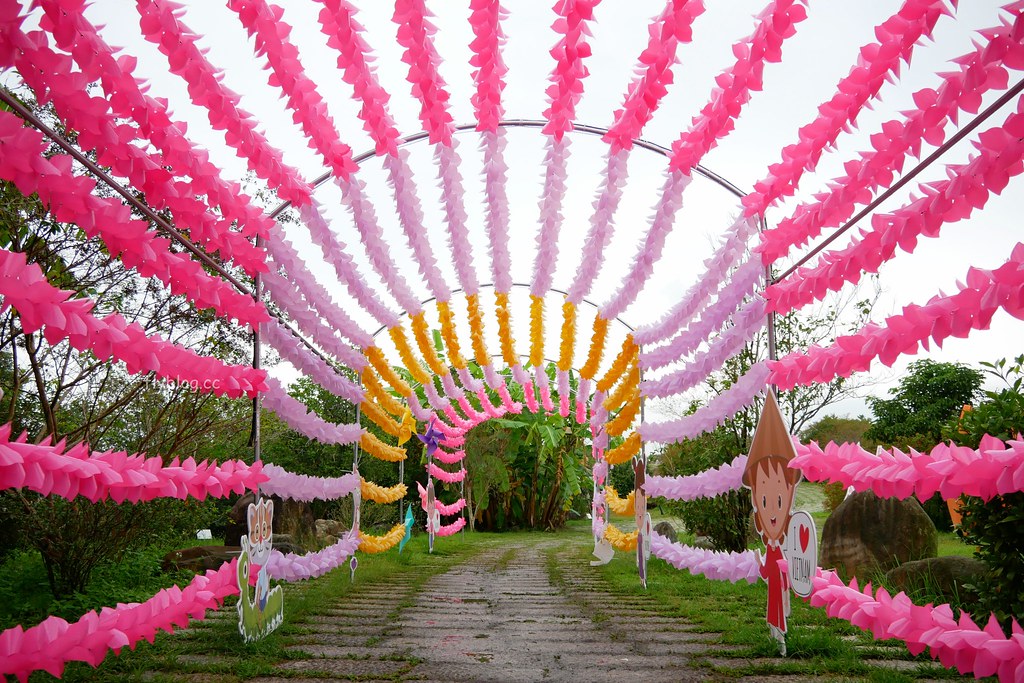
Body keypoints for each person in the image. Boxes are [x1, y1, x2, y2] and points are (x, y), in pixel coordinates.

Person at [742, 392, 802, 655]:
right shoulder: (771, 546)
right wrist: (758, 560)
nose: (772, 510)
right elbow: (767, 572)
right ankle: (776, 635)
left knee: (778, 609)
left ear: (790, 492)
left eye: (780, 498)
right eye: (763, 501)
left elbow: (774, 572)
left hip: (781, 590)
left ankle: (779, 636)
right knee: (775, 610)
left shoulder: (782, 545)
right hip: (775, 591)